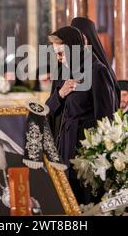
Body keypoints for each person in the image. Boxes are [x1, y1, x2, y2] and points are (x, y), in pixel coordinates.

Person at [46, 26, 115, 204]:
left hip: (85, 150)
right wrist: (61, 93)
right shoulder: (64, 71)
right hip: (64, 147)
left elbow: (105, 117)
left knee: (85, 201)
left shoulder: (97, 70)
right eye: (56, 54)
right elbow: (49, 110)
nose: (58, 59)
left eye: (61, 53)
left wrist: (100, 155)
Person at [71, 17, 120, 111]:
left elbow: (104, 113)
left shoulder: (98, 70)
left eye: (82, 39)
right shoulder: (65, 67)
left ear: (90, 41)